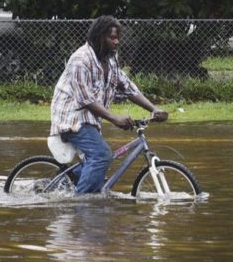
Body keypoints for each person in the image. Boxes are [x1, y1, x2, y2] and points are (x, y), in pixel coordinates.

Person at [50, 15, 167, 194]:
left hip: (89, 120)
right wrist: (114, 118)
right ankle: (82, 204)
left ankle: (70, 179)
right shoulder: (80, 60)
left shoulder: (110, 60)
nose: (117, 41)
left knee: (101, 162)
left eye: (118, 37)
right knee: (101, 155)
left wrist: (153, 108)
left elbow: (127, 87)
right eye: (112, 37)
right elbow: (85, 99)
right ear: (99, 37)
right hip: (71, 118)